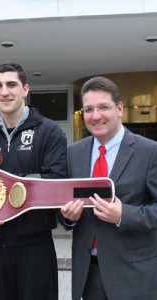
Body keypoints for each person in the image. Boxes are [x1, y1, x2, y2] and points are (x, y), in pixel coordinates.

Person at [0, 62, 68, 300]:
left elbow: (55, 183)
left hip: (35, 244)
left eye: (11, 84)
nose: (4, 91)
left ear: (25, 89)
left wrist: (5, 185)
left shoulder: (49, 131)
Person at [61, 76, 157, 300]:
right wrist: (68, 217)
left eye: (103, 107)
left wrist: (124, 215)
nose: (96, 116)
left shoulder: (150, 151)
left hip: (133, 274)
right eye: (89, 109)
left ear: (120, 108)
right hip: (88, 273)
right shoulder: (73, 153)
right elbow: (65, 200)